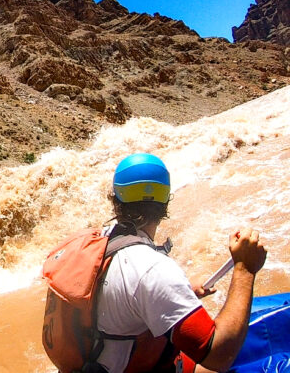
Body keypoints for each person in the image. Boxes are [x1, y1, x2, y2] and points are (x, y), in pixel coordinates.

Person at [94, 153, 267, 373]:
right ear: (165, 201)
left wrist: (178, 292)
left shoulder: (97, 241)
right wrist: (245, 268)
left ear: (115, 198)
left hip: (92, 361)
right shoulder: (152, 270)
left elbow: (121, 295)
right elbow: (219, 356)